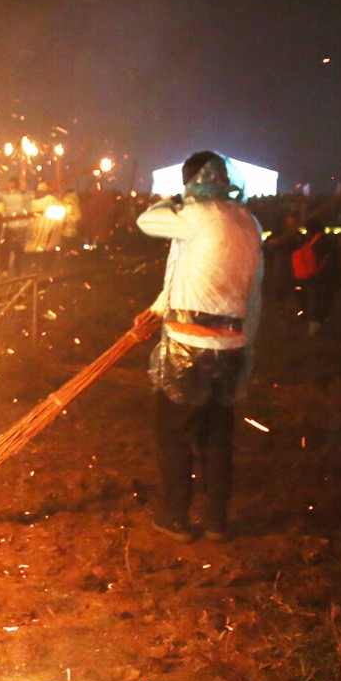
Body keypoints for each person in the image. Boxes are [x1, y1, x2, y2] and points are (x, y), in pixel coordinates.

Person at [136, 151, 264, 542]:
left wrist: (175, 201)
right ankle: (216, 521)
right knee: (216, 437)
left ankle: (175, 516)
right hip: (232, 346)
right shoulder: (249, 222)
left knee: (173, 433)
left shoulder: (194, 216)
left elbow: (146, 221)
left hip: (188, 348)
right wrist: (158, 307)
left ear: (190, 182)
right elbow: (197, 270)